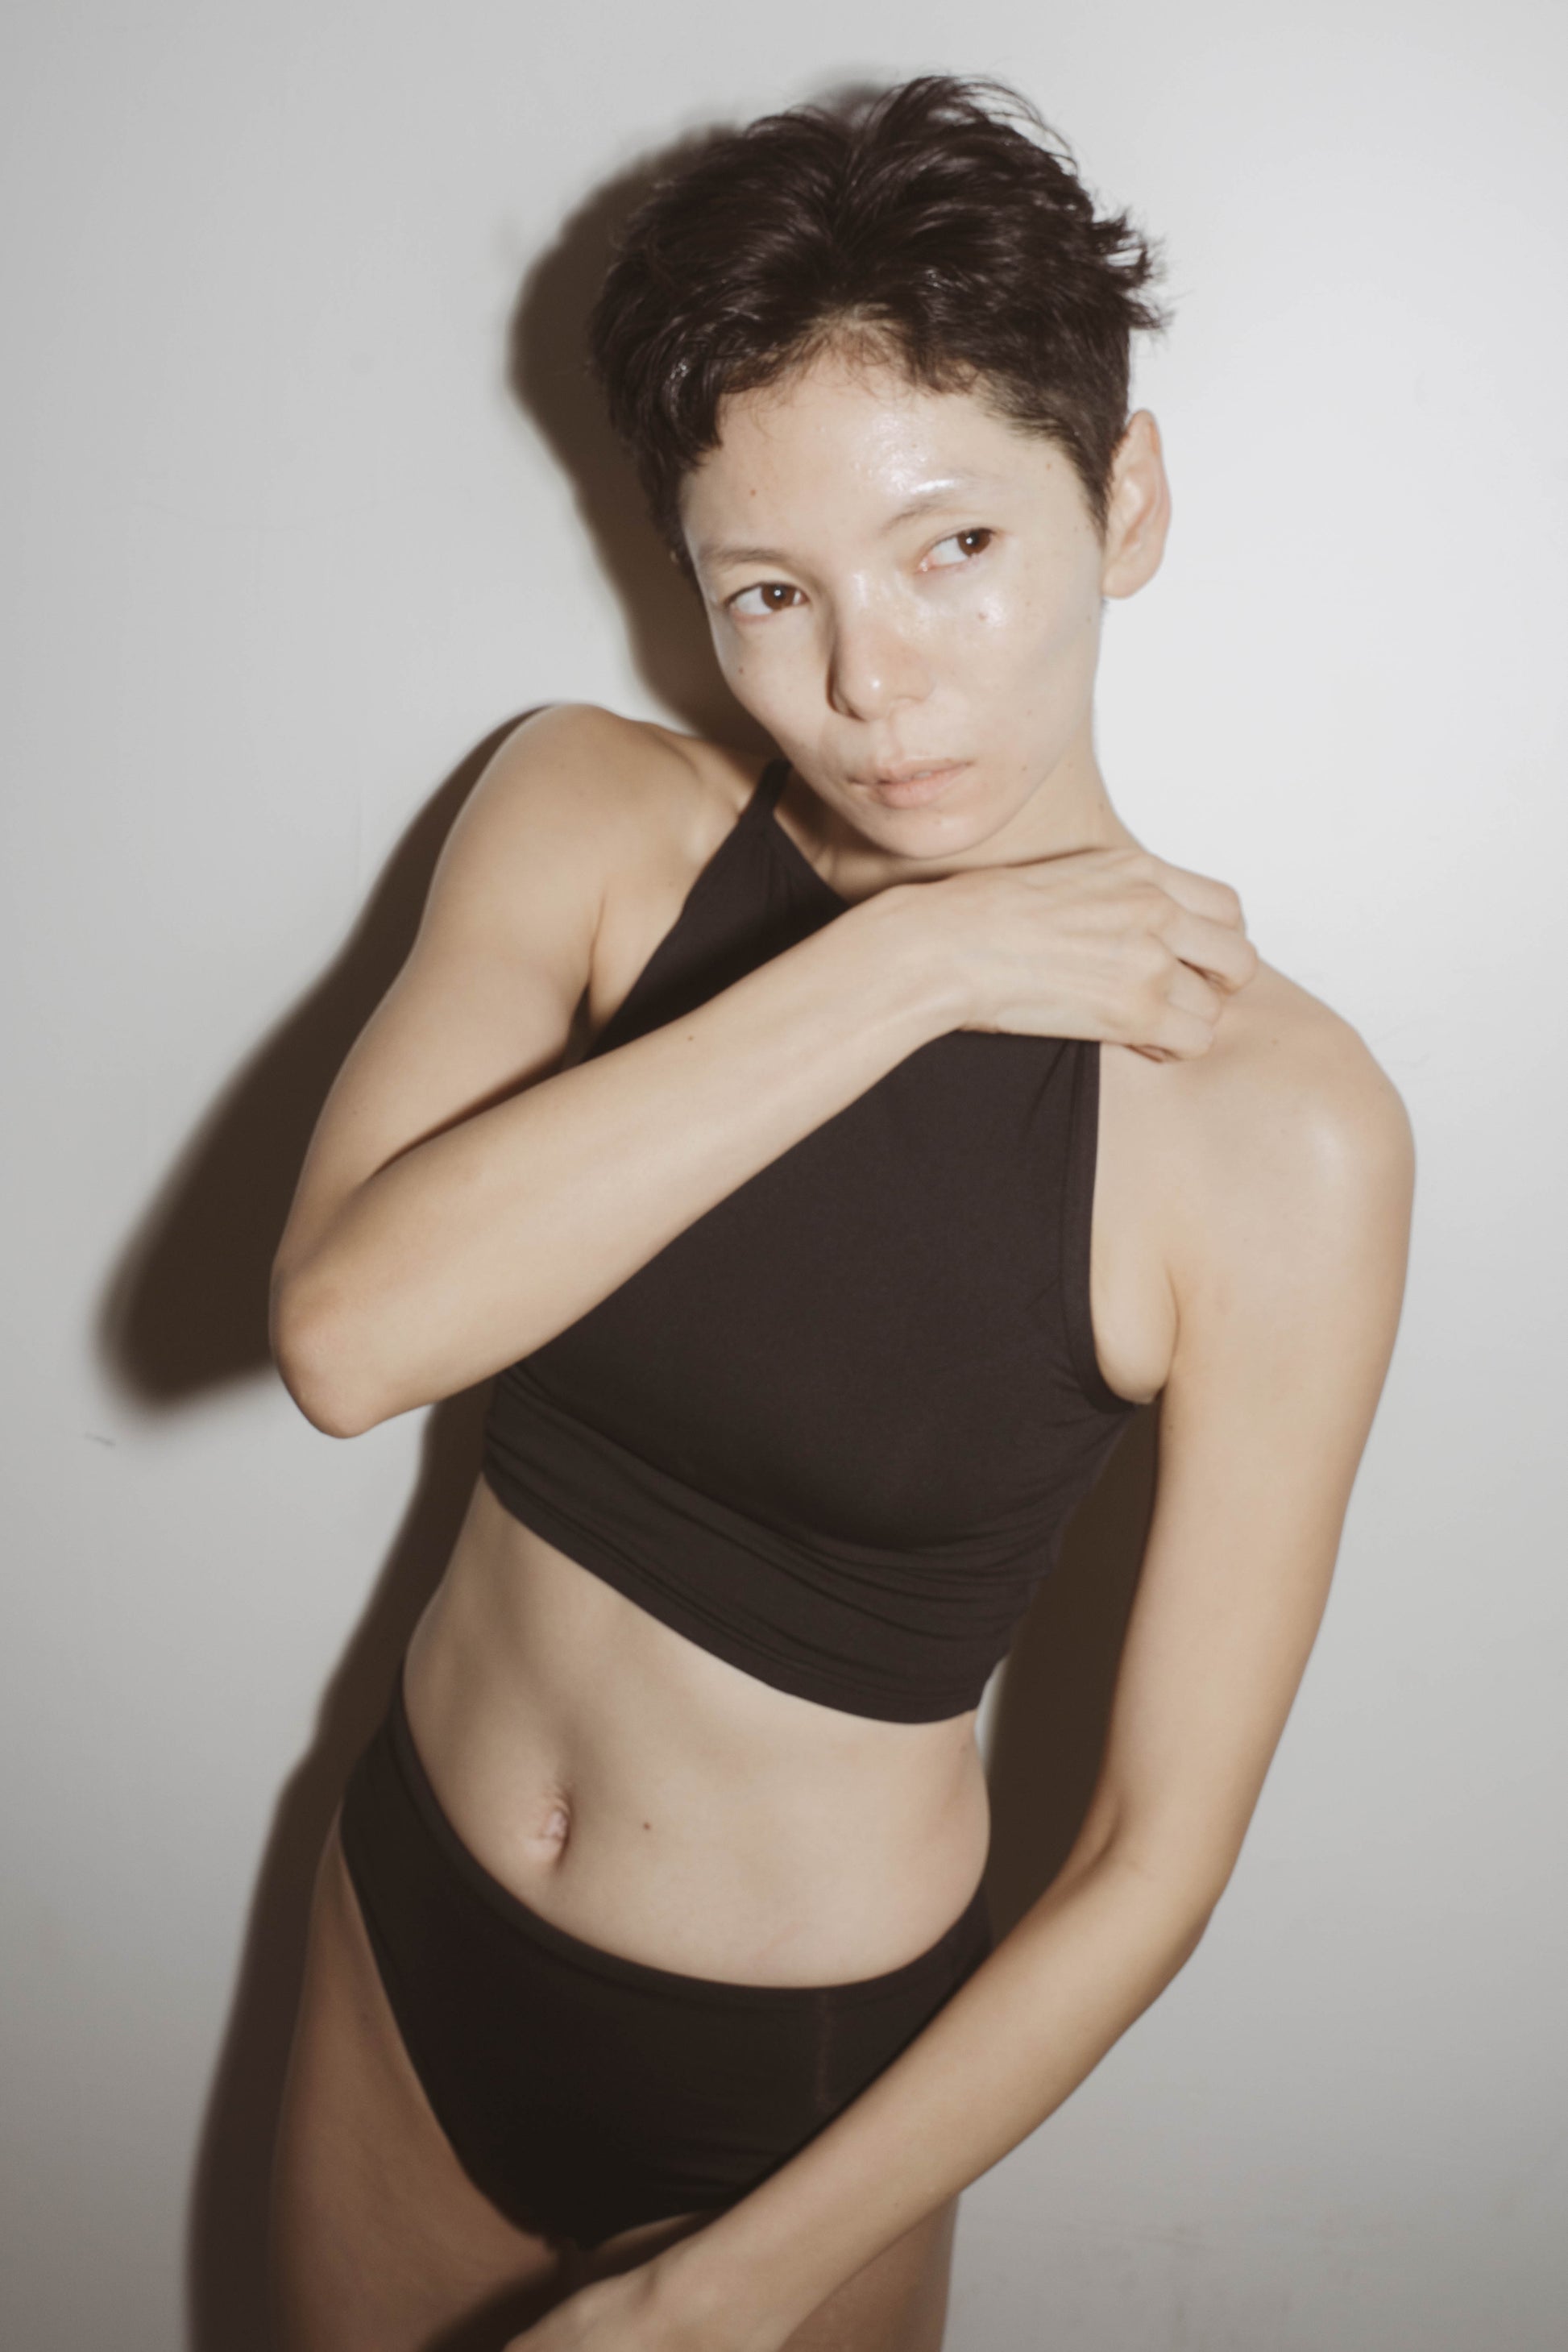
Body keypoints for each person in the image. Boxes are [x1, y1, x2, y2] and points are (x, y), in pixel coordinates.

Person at [265, 74, 1413, 2352]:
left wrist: (720, 2295)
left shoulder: (1274, 1130)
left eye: (953, 547)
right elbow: (346, 1337)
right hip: (404, 1925)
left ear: (1123, 497)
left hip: (792, 2116)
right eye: (770, 594)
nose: (870, 684)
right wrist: (918, 961)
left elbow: (1153, 1862)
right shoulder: (588, 822)